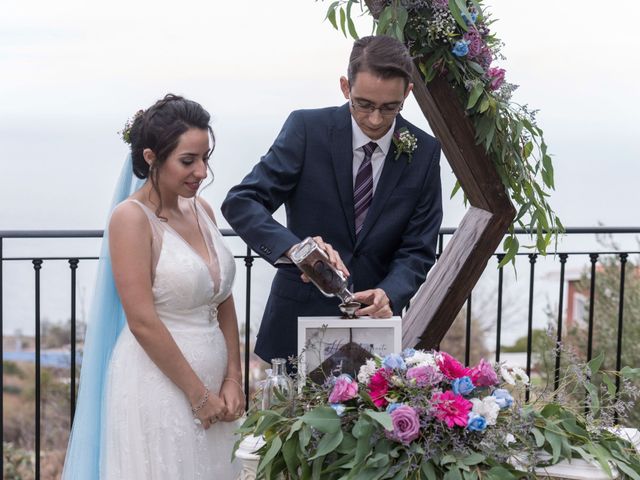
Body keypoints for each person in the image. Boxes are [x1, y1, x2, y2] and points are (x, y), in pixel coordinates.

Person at [222, 35, 443, 364]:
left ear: (407, 92)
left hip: (374, 341)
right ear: (345, 87)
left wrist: (390, 294)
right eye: (364, 104)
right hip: (294, 330)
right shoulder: (307, 129)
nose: (375, 120)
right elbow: (241, 202)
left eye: (389, 107)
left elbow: (418, 250)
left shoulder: (424, 152)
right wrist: (298, 250)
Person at [62, 94, 242, 479]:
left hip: (214, 385)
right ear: (151, 158)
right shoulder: (130, 219)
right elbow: (142, 320)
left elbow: (222, 298)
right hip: (160, 387)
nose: (201, 171)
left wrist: (233, 379)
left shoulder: (202, 209)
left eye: (205, 157)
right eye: (188, 161)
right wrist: (198, 396)